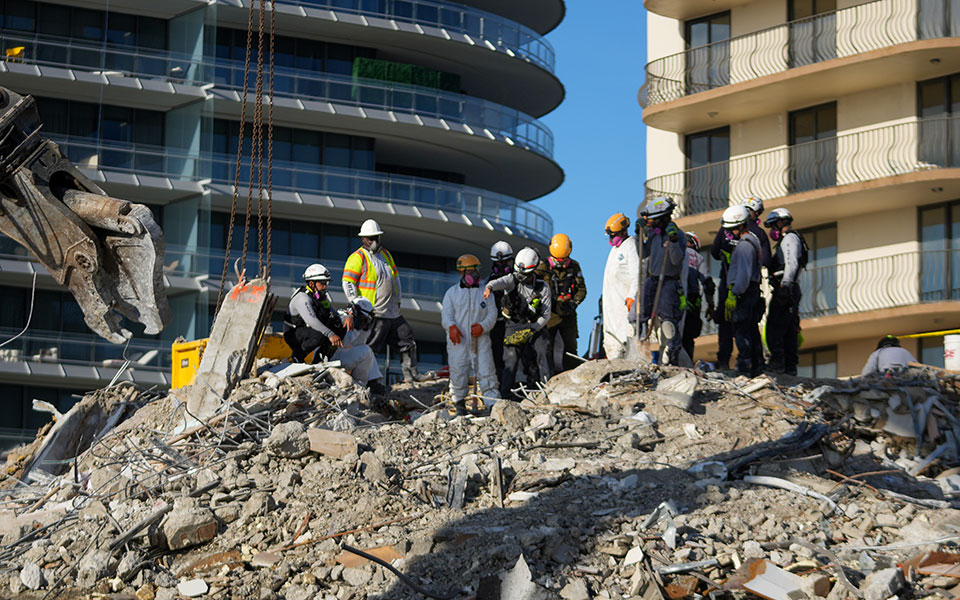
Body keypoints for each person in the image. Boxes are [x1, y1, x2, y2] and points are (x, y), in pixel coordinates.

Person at [342, 219, 424, 383]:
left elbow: (395, 278)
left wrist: (398, 300)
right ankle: (367, 382)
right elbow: (347, 282)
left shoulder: (385, 255)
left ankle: (411, 376)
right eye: (370, 238)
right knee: (371, 348)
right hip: (374, 313)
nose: (373, 241)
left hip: (392, 312)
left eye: (376, 238)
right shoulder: (358, 257)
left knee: (406, 340)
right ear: (363, 239)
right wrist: (356, 303)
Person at [284, 264, 377, 387]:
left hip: (308, 332)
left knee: (336, 324)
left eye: (326, 283)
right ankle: (298, 358)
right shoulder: (303, 298)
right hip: (294, 335)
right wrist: (330, 334)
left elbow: (334, 314)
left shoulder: (322, 297)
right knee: (322, 332)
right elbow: (312, 320)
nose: (325, 286)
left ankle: (322, 359)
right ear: (312, 284)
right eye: (322, 283)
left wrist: (348, 316)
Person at [483, 247, 552, 400]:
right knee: (510, 357)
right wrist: (489, 287)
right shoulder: (511, 279)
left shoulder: (543, 288)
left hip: (535, 326)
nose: (520, 277)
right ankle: (506, 394)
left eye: (524, 275)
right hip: (514, 325)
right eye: (519, 273)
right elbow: (498, 282)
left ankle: (547, 389)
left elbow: (546, 315)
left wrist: (532, 330)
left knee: (542, 349)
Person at [441, 254, 499, 413]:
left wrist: (483, 326)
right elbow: (446, 315)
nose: (475, 274)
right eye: (472, 271)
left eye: (477, 271)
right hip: (459, 343)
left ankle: (492, 404)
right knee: (458, 372)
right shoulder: (451, 294)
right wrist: (451, 326)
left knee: (487, 372)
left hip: (480, 342)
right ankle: (459, 404)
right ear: (462, 272)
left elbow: (492, 314)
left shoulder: (486, 293)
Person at [638, 196, 686, 365]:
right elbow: (642, 254)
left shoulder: (678, 235)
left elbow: (676, 260)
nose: (651, 223)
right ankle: (638, 348)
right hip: (652, 280)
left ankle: (672, 354)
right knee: (641, 315)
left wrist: (672, 242)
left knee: (668, 321)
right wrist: (640, 235)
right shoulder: (653, 235)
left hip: (668, 282)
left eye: (654, 220)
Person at [721, 205, 764, 377]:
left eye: (731, 229)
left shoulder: (745, 245)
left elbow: (744, 275)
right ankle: (756, 366)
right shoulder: (752, 241)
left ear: (740, 226)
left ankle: (746, 367)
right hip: (750, 291)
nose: (730, 233)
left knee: (742, 330)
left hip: (745, 293)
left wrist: (735, 293)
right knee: (751, 329)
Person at [764, 207, 808, 375]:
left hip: (787, 289)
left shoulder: (789, 238)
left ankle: (778, 364)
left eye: (773, 226)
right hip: (791, 289)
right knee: (789, 328)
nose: (772, 231)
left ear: (781, 222)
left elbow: (792, 263)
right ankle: (789, 367)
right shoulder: (792, 238)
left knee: (776, 326)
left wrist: (786, 285)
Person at [536, 233, 586, 373]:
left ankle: (571, 375)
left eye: (563, 259)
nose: (560, 262)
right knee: (547, 346)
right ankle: (547, 376)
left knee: (570, 346)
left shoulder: (575, 267)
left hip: (568, 313)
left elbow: (582, 289)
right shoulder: (542, 267)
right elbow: (532, 288)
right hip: (549, 314)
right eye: (557, 259)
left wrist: (574, 303)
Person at [601, 212, 639, 359]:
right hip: (612, 305)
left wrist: (632, 296)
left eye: (614, 235)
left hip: (625, 304)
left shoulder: (631, 246)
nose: (611, 239)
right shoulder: (615, 249)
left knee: (626, 338)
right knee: (612, 341)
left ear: (623, 231)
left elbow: (637, 275)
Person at [680, 232, 715, 362]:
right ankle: (688, 364)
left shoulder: (674, 252)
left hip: (674, 298)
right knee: (689, 337)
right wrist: (711, 305)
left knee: (673, 335)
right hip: (692, 301)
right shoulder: (697, 257)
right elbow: (708, 284)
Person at [486, 241, 514, 374]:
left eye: (505, 263)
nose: (502, 266)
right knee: (496, 356)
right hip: (496, 324)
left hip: (514, 323)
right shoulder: (488, 283)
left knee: (513, 357)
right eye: (499, 263)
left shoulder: (517, 280)